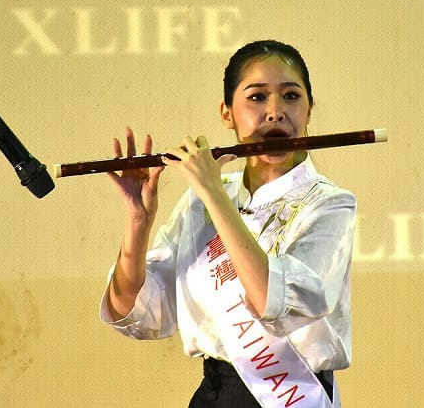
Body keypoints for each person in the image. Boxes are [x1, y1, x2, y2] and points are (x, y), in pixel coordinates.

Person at [100, 40, 356, 408]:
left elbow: (275, 301)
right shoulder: (204, 199)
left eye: (290, 96)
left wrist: (212, 194)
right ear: (227, 114)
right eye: (256, 97)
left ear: (309, 110)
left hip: (292, 396)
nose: (275, 112)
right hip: (217, 395)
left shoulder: (330, 204)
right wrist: (138, 220)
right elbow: (138, 312)